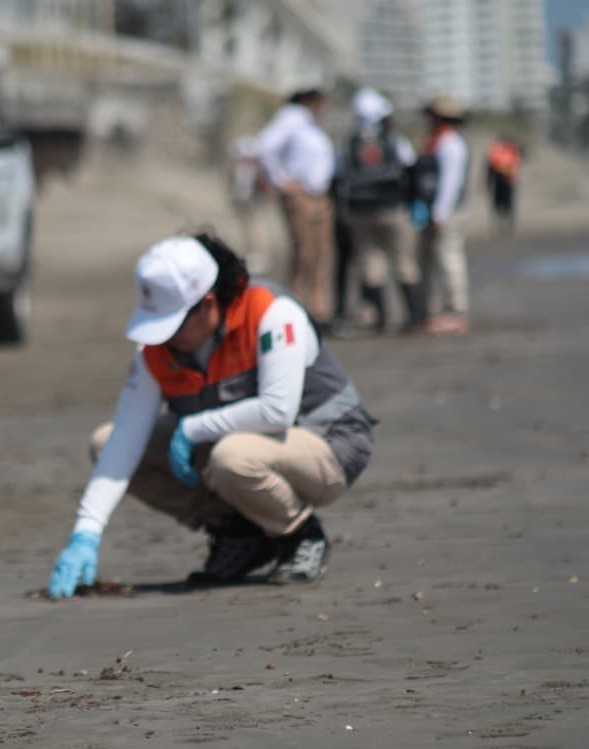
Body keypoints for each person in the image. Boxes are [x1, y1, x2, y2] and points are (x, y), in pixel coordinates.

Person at [46, 232, 374, 598]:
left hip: (330, 444)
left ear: (207, 304)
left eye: (174, 323)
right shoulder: (157, 350)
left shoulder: (271, 312)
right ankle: (239, 532)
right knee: (104, 442)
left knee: (232, 458)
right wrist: (86, 532)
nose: (165, 337)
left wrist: (193, 428)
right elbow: (124, 439)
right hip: (237, 449)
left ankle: (300, 534)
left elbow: (277, 410)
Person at [335, 88, 424, 335]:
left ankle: (382, 319)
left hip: (359, 213)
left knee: (372, 264)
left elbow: (338, 176)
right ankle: (414, 318)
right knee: (404, 262)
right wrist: (414, 203)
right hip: (393, 209)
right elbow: (410, 170)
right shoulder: (394, 141)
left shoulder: (348, 145)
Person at [255, 88, 336, 329]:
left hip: (318, 196)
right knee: (305, 254)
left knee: (320, 255)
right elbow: (264, 146)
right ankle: (295, 308)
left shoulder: (308, 125)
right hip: (302, 196)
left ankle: (318, 310)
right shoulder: (293, 116)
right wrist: (282, 180)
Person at [415, 95, 470, 336]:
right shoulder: (437, 142)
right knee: (429, 263)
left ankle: (456, 311)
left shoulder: (451, 144)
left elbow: (450, 183)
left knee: (449, 260)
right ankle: (433, 311)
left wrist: (439, 214)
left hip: (446, 212)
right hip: (431, 212)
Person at [485, 135, 521, 235]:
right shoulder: (496, 151)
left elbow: (516, 164)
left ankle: (509, 225)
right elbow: (490, 167)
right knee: (498, 203)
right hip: (498, 179)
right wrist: (489, 182)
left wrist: (513, 177)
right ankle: (499, 224)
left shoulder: (512, 150)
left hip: (508, 179)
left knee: (508, 204)